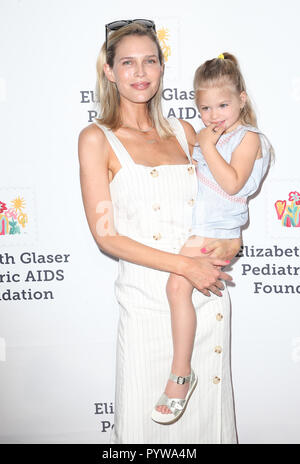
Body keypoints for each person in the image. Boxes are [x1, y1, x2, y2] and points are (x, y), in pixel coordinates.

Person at [78, 20, 241, 444]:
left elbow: (225, 199)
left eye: (150, 60)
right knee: (143, 435)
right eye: (127, 63)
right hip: (149, 307)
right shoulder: (97, 139)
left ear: (162, 67)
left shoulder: (186, 133)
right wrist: (185, 266)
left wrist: (231, 242)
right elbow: (107, 236)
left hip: (204, 301)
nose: (140, 72)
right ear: (110, 71)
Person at [152, 52, 271, 425]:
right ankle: (183, 370)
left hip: (217, 232)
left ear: (242, 99)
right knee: (175, 291)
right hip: (199, 229)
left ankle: (180, 374)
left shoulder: (249, 138)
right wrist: (199, 141)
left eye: (223, 104)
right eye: (205, 107)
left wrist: (205, 145)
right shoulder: (207, 135)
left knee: (175, 289)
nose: (214, 114)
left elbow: (233, 182)